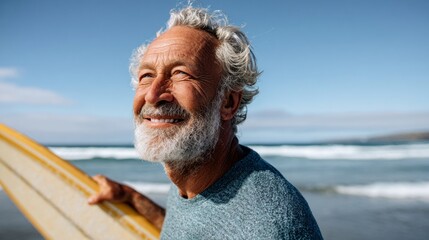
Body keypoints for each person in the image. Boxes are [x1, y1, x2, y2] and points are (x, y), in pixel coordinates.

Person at [88, 6, 323, 239]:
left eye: (181, 74)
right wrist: (131, 198)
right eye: (146, 76)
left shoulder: (267, 226)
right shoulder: (190, 172)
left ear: (228, 102)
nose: (152, 95)